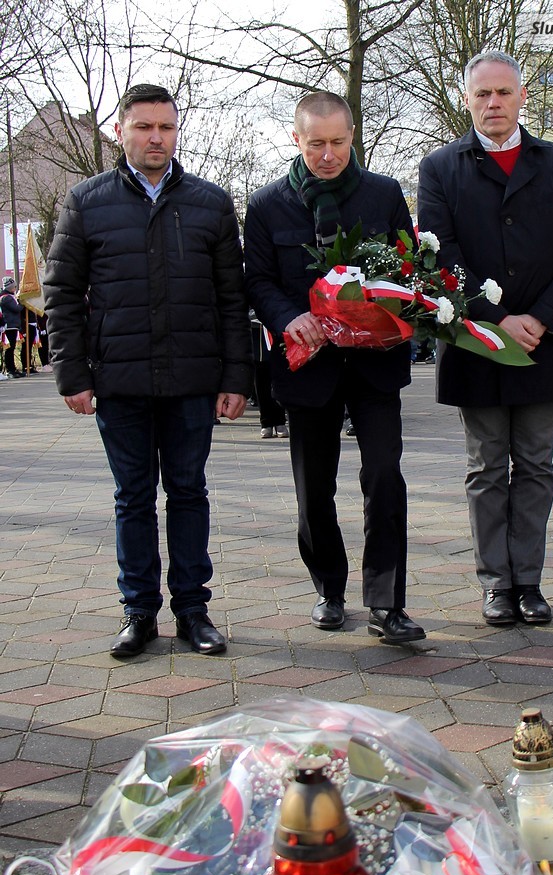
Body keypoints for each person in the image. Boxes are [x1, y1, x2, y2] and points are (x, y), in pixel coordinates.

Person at [44, 83, 253, 659]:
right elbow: (62, 294)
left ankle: (193, 611)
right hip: (120, 380)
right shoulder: (85, 202)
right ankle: (138, 612)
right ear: (121, 132)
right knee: (133, 498)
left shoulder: (211, 204)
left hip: (192, 381)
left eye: (166, 127)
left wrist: (237, 377)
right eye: (144, 127)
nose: (156, 138)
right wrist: (72, 374)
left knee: (188, 493)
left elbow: (232, 298)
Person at [418, 51, 553, 627]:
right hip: (476, 342)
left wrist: (540, 318)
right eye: (482, 94)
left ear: (522, 97)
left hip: (544, 343)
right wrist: (495, 321)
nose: (493, 103)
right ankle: (496, 584)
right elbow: (440, 255)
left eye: (503, 92)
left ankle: (529, 583)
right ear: (467, 99)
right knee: (487, 466)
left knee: (536, 466)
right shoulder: (440, 168)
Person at [244, 91, 425, 644]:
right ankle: (329, 589)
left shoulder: (384, 194)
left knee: (384, 478)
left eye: (339, 142)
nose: (328, 155)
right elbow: (258, 280)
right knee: (313, 488)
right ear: (296, 139)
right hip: (309, 366)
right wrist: (288, 316)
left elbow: (408, 268)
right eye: (316, 143)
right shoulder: (267, 204)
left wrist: (384, 305)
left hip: (375, 365)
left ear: (353, 137)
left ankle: (387, 604)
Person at [0, 277, 25, 378]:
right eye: (14, 286)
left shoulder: (9, 297)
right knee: (10, 349)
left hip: (12, 326)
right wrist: (22, 303)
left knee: (12, 348)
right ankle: (10, 370)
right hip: (9, 326)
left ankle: (13, 369)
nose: (15, 288)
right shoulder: (6, 298)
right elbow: (16, 308)